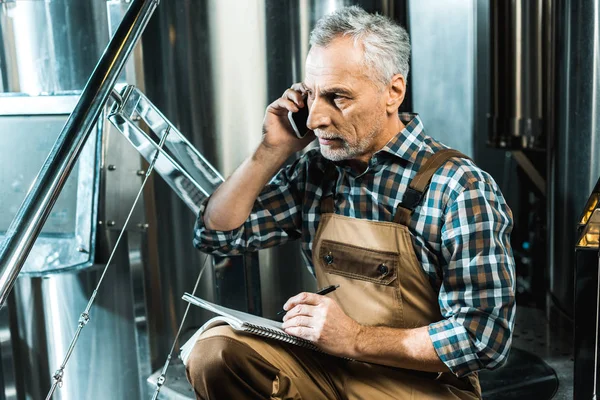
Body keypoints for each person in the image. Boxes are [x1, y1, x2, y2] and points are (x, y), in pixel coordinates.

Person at [186, 5, 515, 400]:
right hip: (328, 368)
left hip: (421, 386)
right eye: (312, 96)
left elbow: (484, 338)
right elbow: (217, 235)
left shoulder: (459, 187)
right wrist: (271, 149)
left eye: (337, 97)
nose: (314, 120)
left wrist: (355, 338)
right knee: (215, 352)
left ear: (393, 92)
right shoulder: (317, 172)